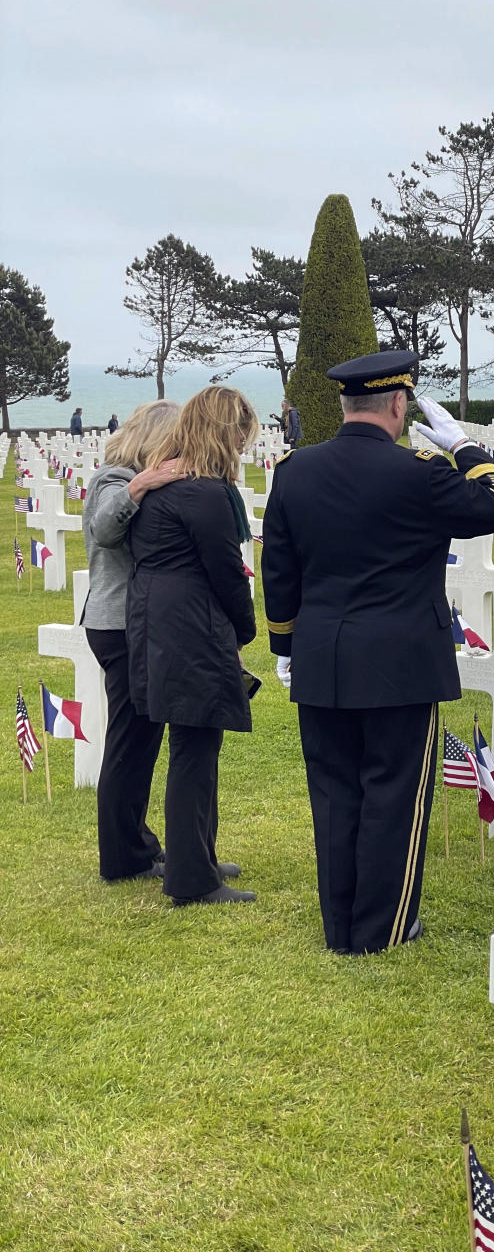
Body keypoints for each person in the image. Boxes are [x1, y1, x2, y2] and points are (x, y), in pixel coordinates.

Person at [261, 350, 494, 955]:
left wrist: (284, 644)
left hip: (322, 655)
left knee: (334, 793)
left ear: (344, 405)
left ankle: (340, 926)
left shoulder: (295, 470)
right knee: (394, 795)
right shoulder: (422, 474)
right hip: (400, 663)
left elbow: (279, 567)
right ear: (400, 404)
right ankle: (382, 928)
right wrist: (465, 447)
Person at [127, 386, 259, 906]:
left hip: (161, 623)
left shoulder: (164, 483)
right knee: (194, 751)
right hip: (190, 628)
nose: (244, 445)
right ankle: (191, 879)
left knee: (193, 747)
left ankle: (194, 858)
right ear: (223, 432)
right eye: (240, 434)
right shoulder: (202, 493)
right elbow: (227, 571)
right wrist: (245, 628)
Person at [82, 401, 182, 881]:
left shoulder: (130, 477)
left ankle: (138, 844)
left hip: (132, 623)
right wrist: (142, 484)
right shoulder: (115, 478)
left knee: (141, 738)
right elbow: (105, 529)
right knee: (129, 740)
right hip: (118, 624)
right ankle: (123, 858)